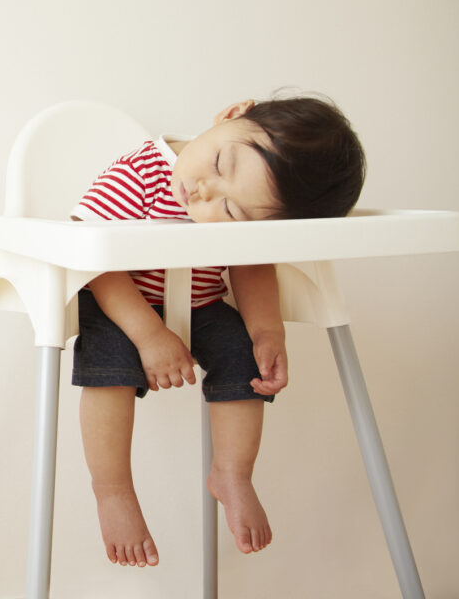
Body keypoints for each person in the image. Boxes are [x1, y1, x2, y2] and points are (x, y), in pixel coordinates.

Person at [69, 95, 365, 567]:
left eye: (233, 213)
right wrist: (149, 336)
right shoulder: (141, 172)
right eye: (221, 163)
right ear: (232, 115)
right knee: (109, 366)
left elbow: (250, 265)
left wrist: (267, 332)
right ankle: (113, 492)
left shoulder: (241, 205)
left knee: (244, 353)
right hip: (121, 301)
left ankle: (233, 473)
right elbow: (95, 262)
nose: (205, 193)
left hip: (201, 303)